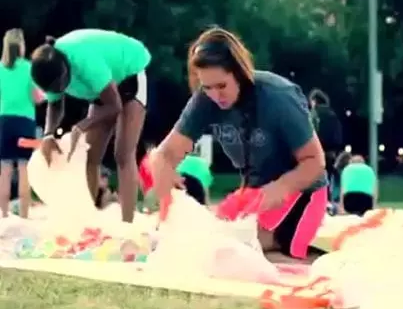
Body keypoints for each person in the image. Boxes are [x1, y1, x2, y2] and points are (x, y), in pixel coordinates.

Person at [150, 26, 328, 261]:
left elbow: (315, 162)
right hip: (253, 192)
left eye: (222, 86)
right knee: (204, 240)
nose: (215, 95)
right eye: (207, 87)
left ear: (240, 72)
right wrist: (162, 169)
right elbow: (166, 152)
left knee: (245, 250)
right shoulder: (205, 100)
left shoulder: (279, 97)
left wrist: (281, 187)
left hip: (303, 191)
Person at [30, 29, 151, 222]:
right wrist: (48, 136)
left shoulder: (83, 59)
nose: (60, 91)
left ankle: (128, 222)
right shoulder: (49, 72)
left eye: (61, 86)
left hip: (129, 75)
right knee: (91, 156)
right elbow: (55, 104)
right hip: (99, 92)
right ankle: (90, 220)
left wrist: (81, 126)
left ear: (65, 68)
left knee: (123, 153)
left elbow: (115, 105)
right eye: (54, 89)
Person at [0, 29, 43, 218]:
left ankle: (3, 215)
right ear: (21, 46)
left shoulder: (0, 69)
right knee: (25, 168)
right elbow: (37, 98)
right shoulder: (29, 68)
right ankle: (24, 216)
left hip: (5, 122)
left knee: (5, 169)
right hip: (25, 122)